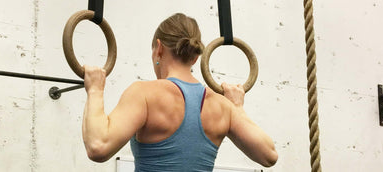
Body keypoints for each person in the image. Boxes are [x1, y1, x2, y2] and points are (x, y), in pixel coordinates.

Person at [82, 13, 278, 171]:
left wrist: (95, 90)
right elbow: (269, 155)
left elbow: (98, 146)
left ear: (158, 49)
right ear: (195, 58)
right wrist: (237, 108)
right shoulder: (222, 106)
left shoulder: (144, 94)